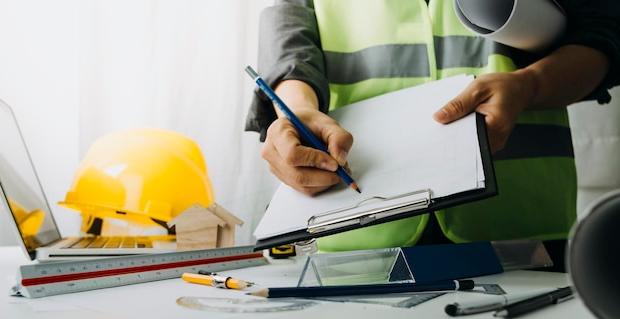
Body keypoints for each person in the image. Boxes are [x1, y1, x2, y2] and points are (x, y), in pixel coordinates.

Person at [245, 0, 620, 271]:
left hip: (525, 233)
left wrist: (531, 84)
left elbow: (605, 31)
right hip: (359, 235)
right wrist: (297, 112)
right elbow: (290, 45)